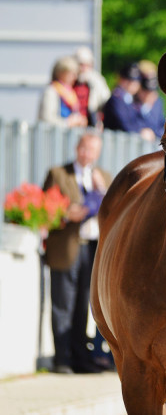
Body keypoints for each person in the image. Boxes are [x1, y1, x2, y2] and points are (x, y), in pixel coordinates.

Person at [43, 132, 112, 374]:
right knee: (63, 305)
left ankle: (81, 359)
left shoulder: (103, 176)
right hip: (67, 247)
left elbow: (114, 210)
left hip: (93, 249)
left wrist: (101, 189)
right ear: (77, 148)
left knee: (85, 305)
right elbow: (45, 209)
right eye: (84, 149)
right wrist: (64, 213)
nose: (87, 154)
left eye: (93, 150)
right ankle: (62, 359)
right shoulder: (59, 174)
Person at [38, 56, 88, 128]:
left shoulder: (70, 93)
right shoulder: (51, 92)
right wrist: (68, 123)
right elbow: (46, 119)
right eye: (72, 74)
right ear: (61, 73)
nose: (75, 77)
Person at [73, 47, 111, 127]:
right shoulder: (71, 81)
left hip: (91, 124)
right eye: (81, 65)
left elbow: (106, 103)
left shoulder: (98, 81)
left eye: (87, 65)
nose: (84, 68)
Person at [102, 63, 141, 132]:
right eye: (128, 80)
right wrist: (140, 131)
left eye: (135, 81)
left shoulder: (133, 99)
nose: (132, 84)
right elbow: (124, 124)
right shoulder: (116, 100)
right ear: (120, 79)